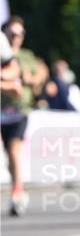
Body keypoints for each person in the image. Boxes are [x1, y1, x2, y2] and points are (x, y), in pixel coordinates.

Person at [1, 17, 48, 216]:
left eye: (20, 34)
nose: (16, 38)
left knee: (14, 148)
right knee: (8, 155)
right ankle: (17, 186)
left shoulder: (26, 55)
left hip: (19, 110)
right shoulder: (3, 49)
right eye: (12, 34)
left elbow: (41, 71)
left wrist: (32, 79)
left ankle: (17, 192)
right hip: (1, 109)